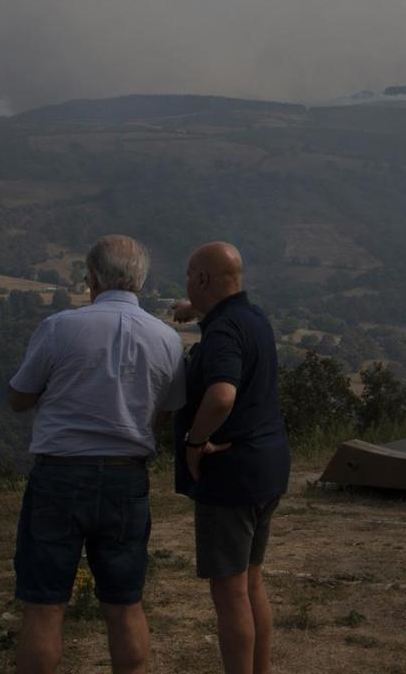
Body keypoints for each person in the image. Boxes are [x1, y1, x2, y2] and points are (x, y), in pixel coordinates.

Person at [8, 235, 186, 674]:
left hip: (60, 476)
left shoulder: (60, 326)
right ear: (140, 281)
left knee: (44, 606)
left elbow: (19, 397)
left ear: (92, 278)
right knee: (125, 604)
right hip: (128, 479)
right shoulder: (168, 339)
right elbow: (167, 412)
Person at [170, 242, 290, 674]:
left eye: (189, 276)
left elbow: (222, 395)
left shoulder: (222, 331)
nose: (186, 282)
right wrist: (194, 309)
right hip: (267, 467)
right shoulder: (252, 317)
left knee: (230, 593)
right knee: (252, 581)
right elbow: (223, 317)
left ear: (202, 279)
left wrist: (193, 441)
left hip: (231, 474)